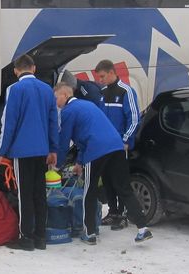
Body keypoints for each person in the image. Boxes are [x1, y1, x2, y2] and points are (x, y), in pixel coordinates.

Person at [54, 82, 152, 245]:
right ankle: (143, 228)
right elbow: (87, 135)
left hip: (97, 150)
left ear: (64, 95)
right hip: (116, 146)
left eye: (55, 97)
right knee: (124, 188)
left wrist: (56, 165)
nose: (54, 102)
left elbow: (64, 142)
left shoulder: (68, 112)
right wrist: (79, 162)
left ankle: (90, 232)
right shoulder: (88, 105)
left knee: (89, 191)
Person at [0, 54, 59, 251]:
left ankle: (26, 237)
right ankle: (41, 237)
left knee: (25, 194)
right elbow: (54, 122)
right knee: (40, 193)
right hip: (42, 151)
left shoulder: (14, 89)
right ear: (34, 68)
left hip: (22, 151)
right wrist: (53, 149)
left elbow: (9, 123)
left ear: (15, 71)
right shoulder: (47, 90)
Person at [94, 60, 140, 230]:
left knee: (120, 180)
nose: (100, 80)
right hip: (104, 146)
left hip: (119, 146)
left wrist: (126, 140)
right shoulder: (103, 92)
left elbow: (134, 118)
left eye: (102, 76)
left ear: (112, 73)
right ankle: (112, 212)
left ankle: (122, 214)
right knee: (106, 179)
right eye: (99, 77)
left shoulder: (126, 91)